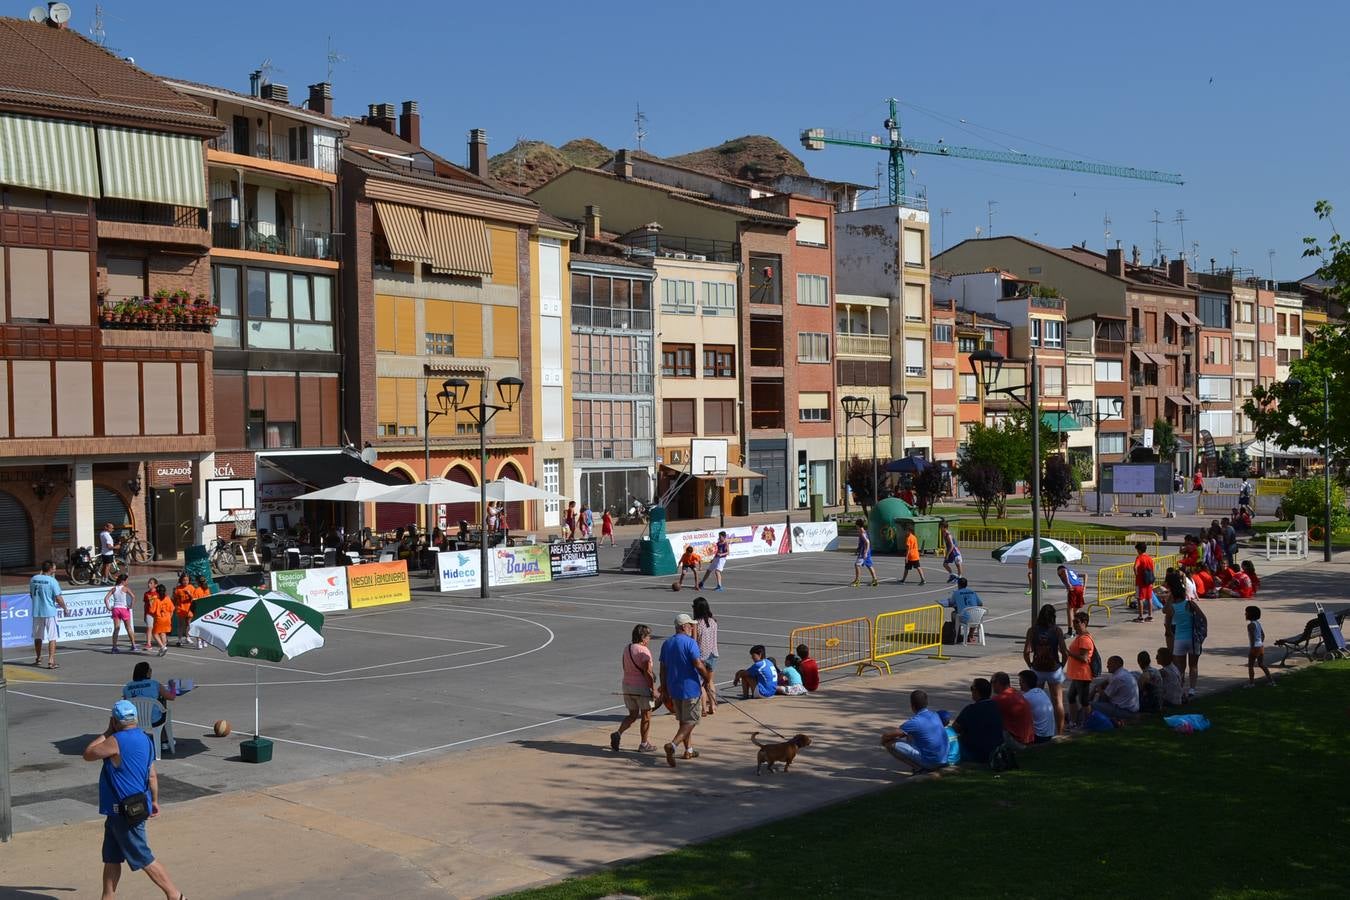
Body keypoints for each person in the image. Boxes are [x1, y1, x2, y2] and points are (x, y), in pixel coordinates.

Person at [83, 699, 183, 900]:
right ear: (135, 719)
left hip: (125, 813)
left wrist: (106, 732)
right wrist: (154, 801)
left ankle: (175, 895)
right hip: (124, 810)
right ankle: (107, 897)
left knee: (144, 857)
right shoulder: (145, 740)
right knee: (112, 859)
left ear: (115, 721)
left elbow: (88, 753)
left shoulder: (115, 741)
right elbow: (152, 775)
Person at [658, 613, 711, 767]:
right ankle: (673, 745)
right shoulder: (690, 643)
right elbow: (698, 664)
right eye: (690, 625)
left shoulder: (667, 643)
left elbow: (663, 669)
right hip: (690, 688)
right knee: (692, 720)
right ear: (683, 627)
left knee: (683, 721)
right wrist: (707, 679)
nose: (692, 627)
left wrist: (665, 687)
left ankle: (688, 749)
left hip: (674, 687)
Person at [1022, 603, 1068, 734]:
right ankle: (1059, 731)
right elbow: (1064, 652)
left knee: (1034, 701)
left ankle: (1034, 731)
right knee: (1057, 701)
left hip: (1037, 669)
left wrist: (1030, 665)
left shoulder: (1032, 630)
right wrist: (1061, 665)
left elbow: (1026, 652)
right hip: (1054, 669)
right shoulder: (1057, 631)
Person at [612, 624, 657, 753]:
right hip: (641, 687)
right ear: (643, 637)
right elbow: (647, 672)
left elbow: (624, 666)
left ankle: (618, 733)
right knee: (646, 715)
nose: (649, 639)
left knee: (632, 715)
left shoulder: (627, 648)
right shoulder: (644, 651)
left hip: (627, 685)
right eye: (648, 636)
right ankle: (644, 743)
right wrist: (652, 689)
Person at [880, 690, 948, 773]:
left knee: (889, 744)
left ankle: (919, 769)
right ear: (926, 703)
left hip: (932, 762)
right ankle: (924, 765)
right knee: (910, 734)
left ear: (912, 706)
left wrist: (883, 741)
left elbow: (888, 735)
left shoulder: (914, 722)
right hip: (944, 759)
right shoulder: (935, 715)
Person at [1164, 585, 1206, 699]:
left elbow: (1167, 624)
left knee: (1180, 667)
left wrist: (1171, 633)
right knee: (1193, 665)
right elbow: (1203, 618)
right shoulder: (1190, 604)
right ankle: (1192, 689)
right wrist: (1203, 633)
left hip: (1179, 639)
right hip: (1193, 639)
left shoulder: (1172, 608)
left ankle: (1181, 688)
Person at [952, 678, 1005, 766]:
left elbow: (954, 728)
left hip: (976, 754)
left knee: (951, 740)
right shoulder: (996, 706)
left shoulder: (970, 709)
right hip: (995, 750)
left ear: (976, 691)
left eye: (972, 688)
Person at [30, 560, 69, 669]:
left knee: (38, 637)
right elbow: (58, 597)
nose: (55, 569)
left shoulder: (34, 579)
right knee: (52, 636)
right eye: (54, 567)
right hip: (49, 612)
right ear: (51, 569)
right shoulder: (52, 581)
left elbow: (31, 594)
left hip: (37, 611)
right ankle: (51, 661)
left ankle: (38, 658)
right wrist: (65, 607)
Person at [1063, 610, 1096, 728]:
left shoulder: (1084, 639)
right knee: (1071, 697)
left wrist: (1068, 653)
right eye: (1074, 622)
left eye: (1077, 622)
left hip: (1083, 675)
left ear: (1084, 622)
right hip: (1077, 674)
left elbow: (1084, 658)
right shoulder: (1080, 637)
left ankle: (1087, 722)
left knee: (1084, 701)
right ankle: (1074, 721)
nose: (1075, 624)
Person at [990, 671, 1036, 749]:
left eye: (992, 682)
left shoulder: (1000, 699)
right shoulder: (1016, 693)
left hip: (1018, 741)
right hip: (1029, 738)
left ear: (997, 683)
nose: (991, 685)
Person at [1088, 655, 1140, 722]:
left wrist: (1097, 689)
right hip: (1131, 709)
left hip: (1124, 711)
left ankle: (1081, 723)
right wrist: (1099, 686)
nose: (1107, 666)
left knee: (1089, 705)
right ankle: (1096, 718)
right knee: (1099, 697)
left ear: (1116, 664)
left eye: (1109, 664)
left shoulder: (1118, 678)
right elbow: (1108, 680)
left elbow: (1105, 696)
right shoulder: (1123, 672)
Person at [122, 661, 172, 728]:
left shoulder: (127, 687)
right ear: (147, 673)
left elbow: (126, 703)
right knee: (162, 704)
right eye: (150, 670)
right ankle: (162, 737)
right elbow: (171, 697)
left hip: (133, 720)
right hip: (154, 720)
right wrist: (173, 687)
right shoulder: (155, 684)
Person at [692, 595, 719, 716]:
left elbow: (694, 640)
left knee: (701, 683)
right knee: (710, 681)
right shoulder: (713, 621)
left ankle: (703, 709)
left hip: (701, 656)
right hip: (713, 654)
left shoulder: (696, 623)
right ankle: (713, 706)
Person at [103, 573, 139, 654]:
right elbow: (133, 597)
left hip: (116, 609)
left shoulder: (114, 589)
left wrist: (109, 607)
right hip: (123, 609)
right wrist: (130, 606)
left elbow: (106, 599)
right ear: (123, 581)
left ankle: (114, 647)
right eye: (126, 580)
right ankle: (133, 645)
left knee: (116, 628)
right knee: (128, 627)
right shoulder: (125, 588)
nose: (127, 582)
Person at [1017, 670, 1055, 743]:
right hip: (1049, 733)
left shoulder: (1026, 697)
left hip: (1039, 736)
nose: (1019, 684)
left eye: (1020, 681)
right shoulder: (1041, 691)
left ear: (1025, 683)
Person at [1245, 606, 1276, 688]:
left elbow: (1252, 638)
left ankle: (1251, 683)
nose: (1245, 614)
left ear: (1250, 614)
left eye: (1246, 612)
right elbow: (1263, 635)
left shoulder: (1250, 625)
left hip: (1255, 647)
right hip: (1260, 646)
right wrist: (1260, 643)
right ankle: (1271, 681)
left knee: (1251, 666)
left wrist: (1252, 648)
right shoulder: (1258, 623)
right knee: (1261, 664)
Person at [1133, 541, 1156, 622]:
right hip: (1149, 580)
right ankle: (1150, 615)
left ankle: (1140, 617)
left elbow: (1135, 567)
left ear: (1139, 550)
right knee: (1149, 598)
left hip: (1140, 581)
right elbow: (1152, 569)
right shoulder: (1150, 558)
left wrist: (1136, 574)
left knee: (1140, 599)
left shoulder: (1139, 557)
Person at [851, 519, 879, 587]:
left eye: (856, 525)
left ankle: (857, 581)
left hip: (864, 552)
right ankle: (875, 580)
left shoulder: (862, 533)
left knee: (857, 565)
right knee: (869, 565)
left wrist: (865, 552)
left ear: (858, 525)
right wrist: (858, 548)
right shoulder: (863, 531)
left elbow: (867, 542)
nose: (856, 526)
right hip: (867, 551)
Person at [148, 585, 174, 656]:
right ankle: (163, 647)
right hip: (167, 618)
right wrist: (169, 617)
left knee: (154, 633)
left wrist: (151, 602)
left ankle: (162, 647)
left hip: (159, 619)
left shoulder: (156, 600)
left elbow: (151, 611)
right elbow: (172, 609)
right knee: (163, 633)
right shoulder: (168, 598)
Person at [171, 575, 195, 649]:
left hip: (189, 608)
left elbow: (194, 598)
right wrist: (174, 607)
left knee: (188, 623)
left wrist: (189, 594)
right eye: (184, 580)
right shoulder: (178, 589)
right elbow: (174, 599)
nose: (185, 582)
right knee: (181, 624)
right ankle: (179, 639)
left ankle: (187, 637)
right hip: (180, 608)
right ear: (181, 580)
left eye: (187, 580)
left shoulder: (191, 587)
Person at [939, 518, 963, 583]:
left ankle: (960, 576)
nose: (940, 528)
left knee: (958, 563)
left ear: (945, 527)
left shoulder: (948, 535)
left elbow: (952, 546)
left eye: (941, 527)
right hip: (950, 550)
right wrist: (946, 553)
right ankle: (952, 575)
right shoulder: (943, 533)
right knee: (945, 564)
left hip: (954, 551)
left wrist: (947, 554)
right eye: (940, 527)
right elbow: (948, 546)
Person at [140, 578, 160, 646]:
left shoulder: (158, 594)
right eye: (149, 583)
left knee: (158, 628)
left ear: (155, 585)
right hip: (149, 613)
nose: (149, 584)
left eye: (151, 583)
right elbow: (145, 605)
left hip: (157, 613)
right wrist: (145, 615)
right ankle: (148, 643)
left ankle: (162, 641)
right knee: (149, 627)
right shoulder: (146, 594)